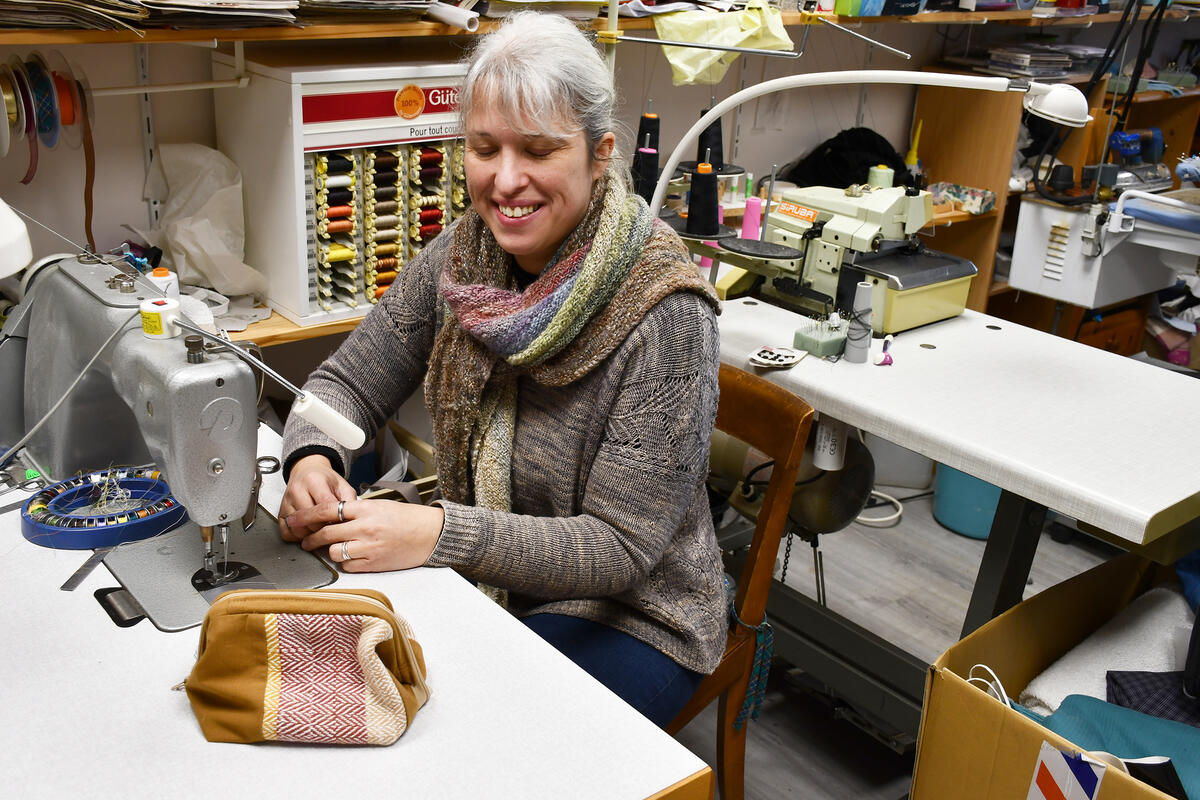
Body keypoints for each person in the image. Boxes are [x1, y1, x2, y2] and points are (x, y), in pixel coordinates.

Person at [278, 11, 727, 728]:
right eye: (485, 148)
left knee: (453, 728)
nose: (506, 180)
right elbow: (346, 384)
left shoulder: (665, 314)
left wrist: (435, 534)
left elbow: (620, 548)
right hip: (492, 579)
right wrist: (309, 452)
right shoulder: (465, 258)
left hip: (635, 617)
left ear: (600, 153)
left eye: (539, 150)